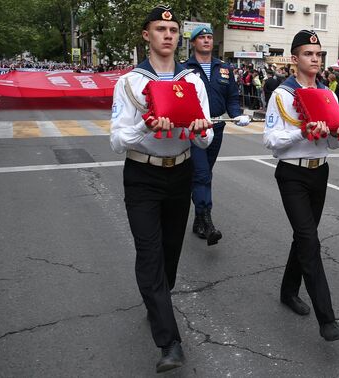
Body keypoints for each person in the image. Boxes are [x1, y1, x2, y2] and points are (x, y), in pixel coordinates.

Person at [109, 5, 213, 373]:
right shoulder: (129, 83)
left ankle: (156, 301)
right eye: (160, 28)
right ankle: (170, 342)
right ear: (146, 36)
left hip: (179, 172)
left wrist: (201, 131)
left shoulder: (193, 80)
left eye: (173, 29)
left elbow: (206, 138)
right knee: (150, 253)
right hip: (142, 175)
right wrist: (145, 127)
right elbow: (117, 140)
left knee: (170, 254)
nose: (168, 35)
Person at [263, 30, 339, 341]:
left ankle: (289, 291)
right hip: (292, 174)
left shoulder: (328, 94)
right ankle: (327, 320)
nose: (315, 59)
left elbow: (333, 145)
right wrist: (304, 132)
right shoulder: (283, 95)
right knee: (309, 241)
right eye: (308, 54)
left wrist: (338, 132)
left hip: (320, 172)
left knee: (304, 238)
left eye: (318, 55)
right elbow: (272, 142)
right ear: (294, 59)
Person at [185, 25, 249, 246]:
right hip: (194, 128)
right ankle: (207, 221)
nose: (206, 40)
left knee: (205, 174)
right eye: (201, 37)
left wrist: (238, 115)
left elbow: (231, 97)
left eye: (209, 37)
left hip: (218, 126)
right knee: (201, 174)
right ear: (193, 43)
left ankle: (198, 219)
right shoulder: (184, 69)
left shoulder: (224, 69)